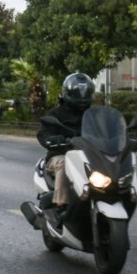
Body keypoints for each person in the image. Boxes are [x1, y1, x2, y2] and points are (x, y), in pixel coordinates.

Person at [36, 72, 96, 227]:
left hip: (89, 157)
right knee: (64, 163)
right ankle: (61, 206)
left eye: (85, 93)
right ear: (67, 93)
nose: (82, 96)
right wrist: (52, 139)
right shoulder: (56, 114)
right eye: (78, 93)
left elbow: (107, 130)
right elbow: (43, 133)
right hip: (60, 156)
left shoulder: (94, 114)